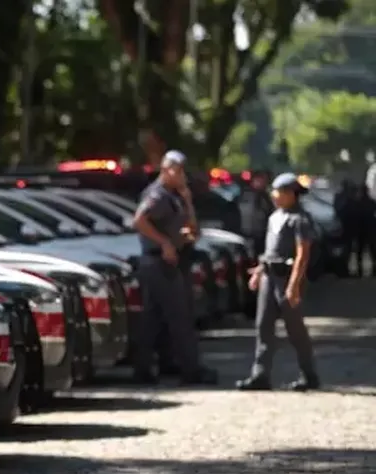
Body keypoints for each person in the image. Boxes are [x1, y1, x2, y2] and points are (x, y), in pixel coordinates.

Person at [131, 150, 218, 385]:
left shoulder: (175, 195)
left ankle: (147, 369)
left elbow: (192, 228)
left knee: (153, 320)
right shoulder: (157, 195)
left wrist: (188, 201)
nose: (182, 176)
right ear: (166, 170)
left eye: (182, 171)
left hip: (172, 261)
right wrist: (165, 243)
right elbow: (139, 220)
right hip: (159, 262)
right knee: (180, 316)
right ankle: (191, 370)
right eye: (177, 171)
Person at [237, 173, 319, 391]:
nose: (275, 196)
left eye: (280, 192)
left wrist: (294, 285)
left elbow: (302, 255)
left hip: (287, 278)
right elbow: (269, 251)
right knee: (263, 325)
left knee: (295, 329)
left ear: (291, 194)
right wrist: (259, 271)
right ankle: (260, 374)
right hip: (269, 277)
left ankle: (308, 373)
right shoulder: (274, 217)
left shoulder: (299, 219)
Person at [238, 170, 275, 256]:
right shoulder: (245, 195)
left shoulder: (266, 197)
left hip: (261, 237)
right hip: (245, 235)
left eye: (265, 181)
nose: (263, 183)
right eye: (261, 180)